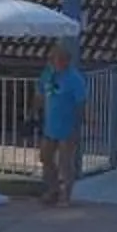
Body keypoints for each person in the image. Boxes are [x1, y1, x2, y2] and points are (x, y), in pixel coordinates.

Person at [36, 40, 89, 205]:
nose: (54, 62)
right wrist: (34, 111)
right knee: (45, 157)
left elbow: (81, 103)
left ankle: (66, 194)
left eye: (57, 59)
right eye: (52, 58)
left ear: (66, 60)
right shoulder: (48, 73)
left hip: (68, 126)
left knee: (65, 163)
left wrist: (78, 125)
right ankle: (53, 189)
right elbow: (40, 92)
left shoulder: (75, 79)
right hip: (50, 125)